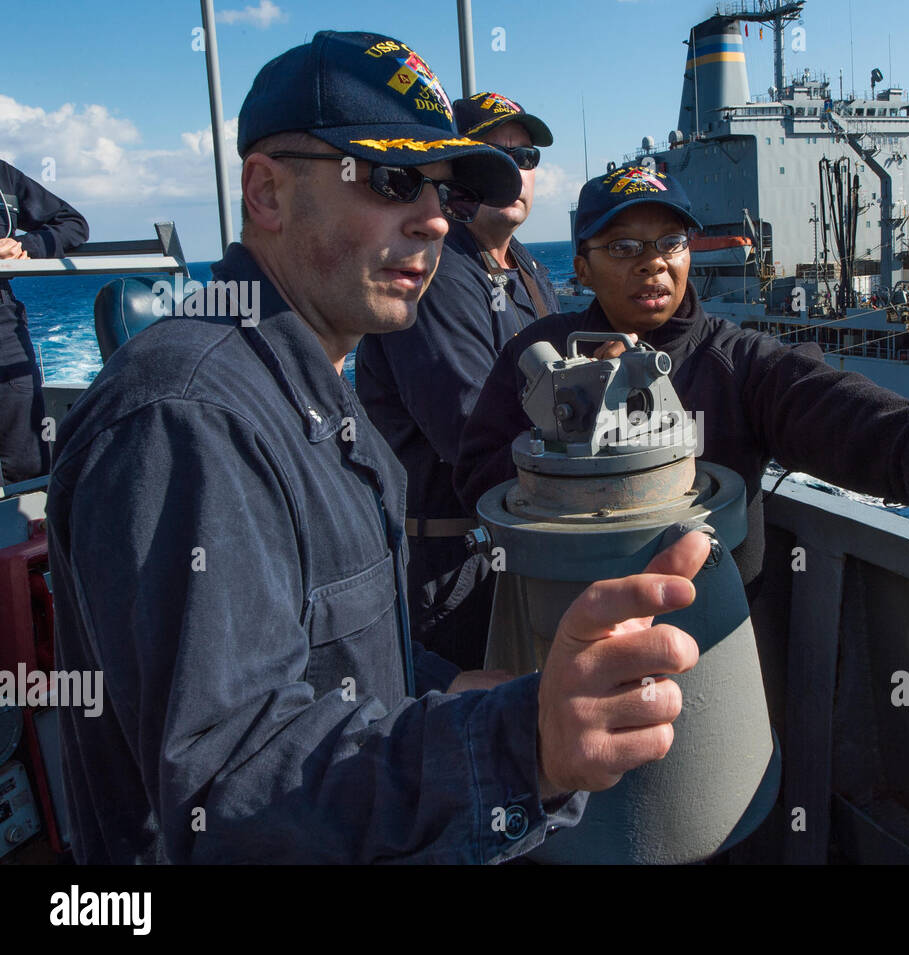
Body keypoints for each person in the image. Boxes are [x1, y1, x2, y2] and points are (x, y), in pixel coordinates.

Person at [48, 32, 708, 864]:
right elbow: (230, 795)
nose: (435, 218)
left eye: (445, 191)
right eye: (392, 179)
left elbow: (326, 660)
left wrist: (445, 687)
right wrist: (517, 744)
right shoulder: (189, 423)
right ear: (266, 191)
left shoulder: (308, 389)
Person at [455, 164, 909, 599]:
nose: (653, 264)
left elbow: (827, 405)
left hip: (713, 617)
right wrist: (572, 440)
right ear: (582, 263)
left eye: (671, 243)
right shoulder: (538, 354)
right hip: (572, 614)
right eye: (624, 247)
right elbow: (482, 478)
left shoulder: (735, 359)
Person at [356, 91, 558, 671]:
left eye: (526, 158)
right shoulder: (438, 272)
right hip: (451, 566)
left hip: (513, 541)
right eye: (495, 153)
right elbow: (472, 431)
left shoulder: (528, 268)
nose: (516, 171)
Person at [0, 160, 88, 484]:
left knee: (28, 462)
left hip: (3, 332)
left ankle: (27, 531)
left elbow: (73, 224)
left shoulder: (3, 177)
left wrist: (25, 247)